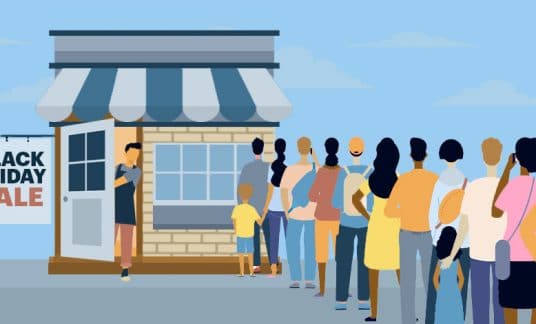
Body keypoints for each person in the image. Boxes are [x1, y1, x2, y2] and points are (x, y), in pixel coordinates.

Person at [442, 138, 506, 324]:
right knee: (500, 302)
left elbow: (463, 226)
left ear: (483, 156)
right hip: (502, 252)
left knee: (479, 303)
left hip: (478, 251)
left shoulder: (474, 187)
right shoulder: (506, 187)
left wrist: (451, 254)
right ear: (500, 156)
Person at [385, 138, 438, 324]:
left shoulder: (403, 180)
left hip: (406, 233)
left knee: (407, 281)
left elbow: (389, 211)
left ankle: (407, 320)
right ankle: (431, 318)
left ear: (410, 156)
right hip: (428, 234)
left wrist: (405, 211)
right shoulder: (434, 179)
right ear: (426, 155)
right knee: (430, 280)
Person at [352, 137, 400, 322]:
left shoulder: (372, 179)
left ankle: (374, 313)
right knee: (399, 269)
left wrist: (367, 215)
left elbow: (356, 198)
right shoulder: (399, 179)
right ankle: (407, 309)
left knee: (373, 272)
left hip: (377, 225)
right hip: (395, 225)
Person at [426, 139, 470, 324]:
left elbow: (431, 215)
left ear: (443, 157)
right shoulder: (467, 182)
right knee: (461, 284)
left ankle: (433, 320)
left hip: (441, 241)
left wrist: (435, 236)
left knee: (436, 286)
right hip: (463, 241)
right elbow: (468, 215)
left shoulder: (438, 183)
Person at [493, 137, 536, 324]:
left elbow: (495, 212)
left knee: (510, 308)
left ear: (517, 158)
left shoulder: (513, 185)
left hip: (511, 256)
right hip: (534, 255)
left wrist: (506, 171)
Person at [333, 137, 372, 311]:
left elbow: (335, 201)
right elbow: (372, 201)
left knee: (343, 261)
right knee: (365, 262)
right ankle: (364, 300)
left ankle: (341, 300)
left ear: (349, 151)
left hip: (345, 222)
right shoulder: (370, 172)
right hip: (365, 223)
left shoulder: (342, 172)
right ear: (362, 151)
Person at [281, 137, 320, 289]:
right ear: (310, 148)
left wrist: (286, 211)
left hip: (294, 214)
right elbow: (325, 176)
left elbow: (284, 193)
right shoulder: (316, 168)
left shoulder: (290, 170)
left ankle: (295, 279)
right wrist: (315, 157)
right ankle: (310, 279)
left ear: (298, 149)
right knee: (311, 246)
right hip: (313, 215)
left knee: (292, 246)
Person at [309, 137, 342, 297]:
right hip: (338, 217)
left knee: (321, 254)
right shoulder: (342, 172)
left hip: (321, 216)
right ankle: (342, 288)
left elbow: (312, 196)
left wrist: (322, 196)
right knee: (341, 255)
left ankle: (322, 289)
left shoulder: (322, 172)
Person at [238, 138, 270, 273]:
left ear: (253, 149)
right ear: (262, 149)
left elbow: (241, 188)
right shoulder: (268, 167)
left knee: (254, 236)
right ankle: (272, 261)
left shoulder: (247, 168)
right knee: (270, 235)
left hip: (251, 207)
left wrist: (242, 206)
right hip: (266, 207)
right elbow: (272, 187)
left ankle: (256, 264)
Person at [114, 142, 142, 282]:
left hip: (127, 209)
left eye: (137, 153)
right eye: (132, 152)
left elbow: (118, 182)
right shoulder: (117, 168)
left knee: (126, 242)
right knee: (108, 239)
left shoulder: (136, 171)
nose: (134, 155)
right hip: (112, 208)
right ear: (126, 153)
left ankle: (125, 269)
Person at [261, 138, 288, 277]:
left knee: (273, 240)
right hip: (286, 210)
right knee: (290, 240)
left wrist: (264, 211)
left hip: (273, 209)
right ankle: (293, 271)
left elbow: (269, 192)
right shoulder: (288, 169)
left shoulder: (271, 169)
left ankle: (273, 270)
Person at [232, 183, 267, 277]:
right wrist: (264, 214)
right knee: (250, 253)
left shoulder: (237, 208)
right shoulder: (252, 209)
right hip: (249, 235)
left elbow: (234, 220)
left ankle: (242, 272)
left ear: (239, 194)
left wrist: (236, 230)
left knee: (241, 254)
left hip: (240, 235)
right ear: (250, 195)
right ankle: (251, 272)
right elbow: (259, 222)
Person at [433, 226, 465, 324]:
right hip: (454, 292)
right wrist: (456, 291)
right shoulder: (456, 262)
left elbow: (435, 279)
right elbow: (462, 279)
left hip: (443, 292)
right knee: (455, 317)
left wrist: (440, 290)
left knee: (442, 316)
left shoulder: (440, 261)